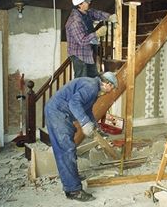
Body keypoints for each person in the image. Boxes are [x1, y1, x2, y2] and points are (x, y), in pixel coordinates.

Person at [44, 71, 119, 201]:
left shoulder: (93, 88)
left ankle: (71, 179)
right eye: (112, 87)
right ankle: (73, 191)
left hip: (58, 112)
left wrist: (95, 126)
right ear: (107, 83)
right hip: (58, 113)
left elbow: (87, 109)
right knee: (66, 150)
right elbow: (74, 103)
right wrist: (84, 123)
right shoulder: (91, 86)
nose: (111, 91)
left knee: (67, 150)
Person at [66, 0, 116, 78]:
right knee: (82, 79)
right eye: (86, 2)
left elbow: (94, 13)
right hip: (79, 54)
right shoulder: (74, 22)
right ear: (80, 5)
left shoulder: (85, 12)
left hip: (88, 51)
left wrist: (109, 17)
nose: (89, 2)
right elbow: (82, 40)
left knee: (93, 76)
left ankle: (92, 89)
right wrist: (97, 34)